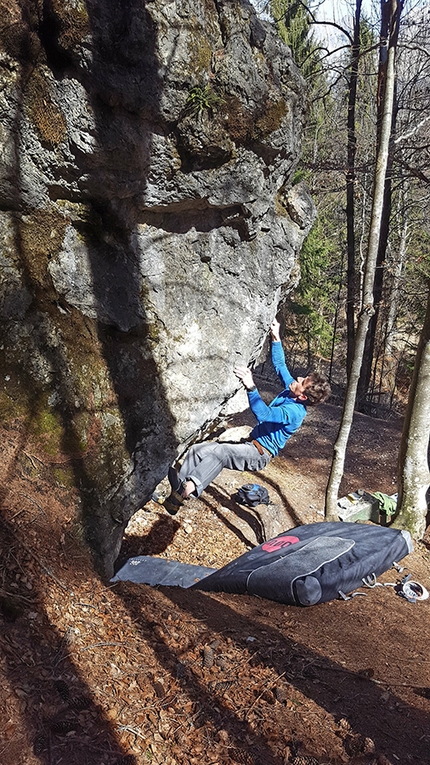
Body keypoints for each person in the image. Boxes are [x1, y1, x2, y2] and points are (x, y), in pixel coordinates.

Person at [164, 318, 331, 515]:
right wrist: (276, 336)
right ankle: (174, 499)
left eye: (303, 381)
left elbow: (264, 414)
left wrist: (251, 386)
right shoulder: (292, 392)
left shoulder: (295, 412)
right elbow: (280, 366)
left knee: (221, 453)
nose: (299, 378)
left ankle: (189, 487)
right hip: (250, 444)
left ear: (303, 395)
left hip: (259, 454)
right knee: (197, 450)